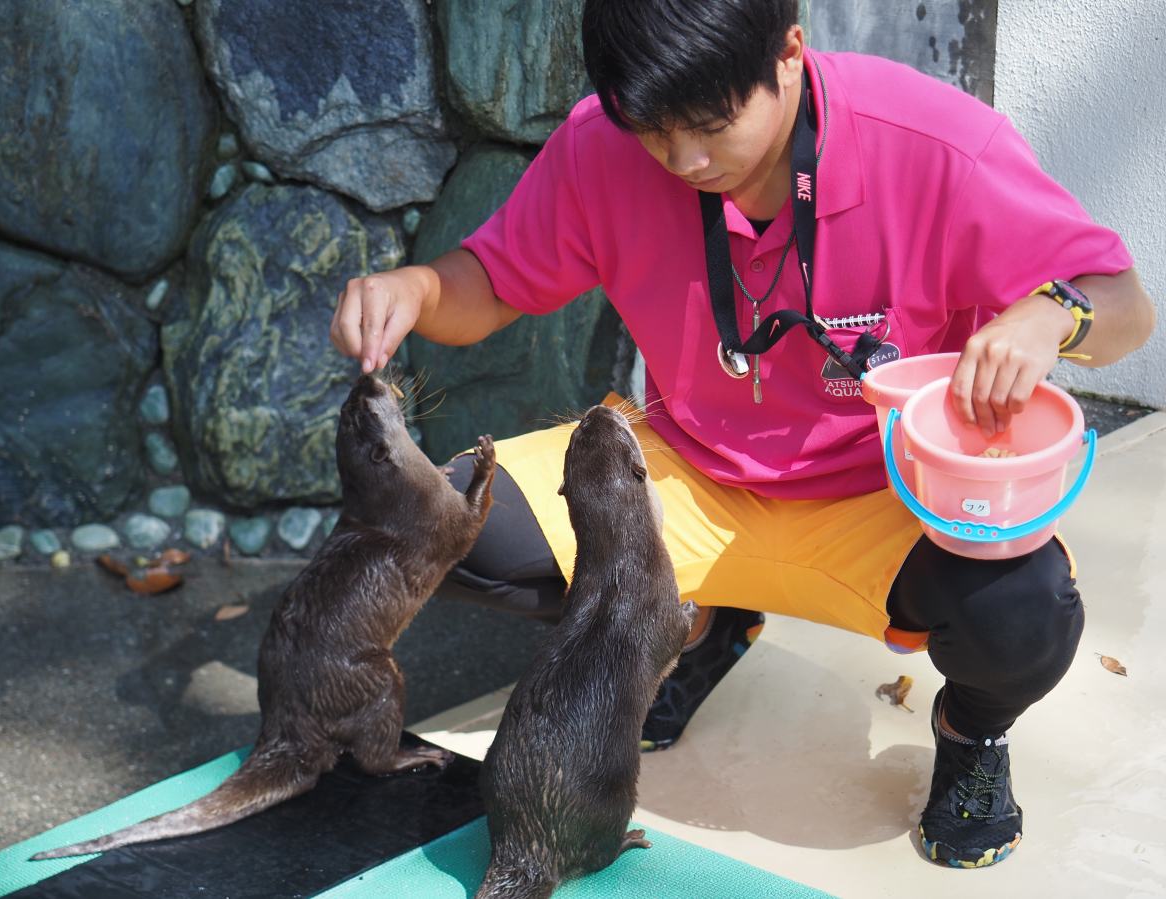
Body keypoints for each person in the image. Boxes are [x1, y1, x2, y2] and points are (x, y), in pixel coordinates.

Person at [329, 0, 1156, 869]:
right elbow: (495, 279)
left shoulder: (939, 143)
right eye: (654, 131)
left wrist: (1049, 313)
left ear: (791, 52)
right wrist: (418, 288)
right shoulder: (602, 143)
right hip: (685, 473)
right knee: (432, 529)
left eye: (713, 125)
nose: (685, 159)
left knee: (1025, 616)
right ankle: (693, 622)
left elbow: (1126, 306)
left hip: (888, 494)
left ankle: (972, 735)